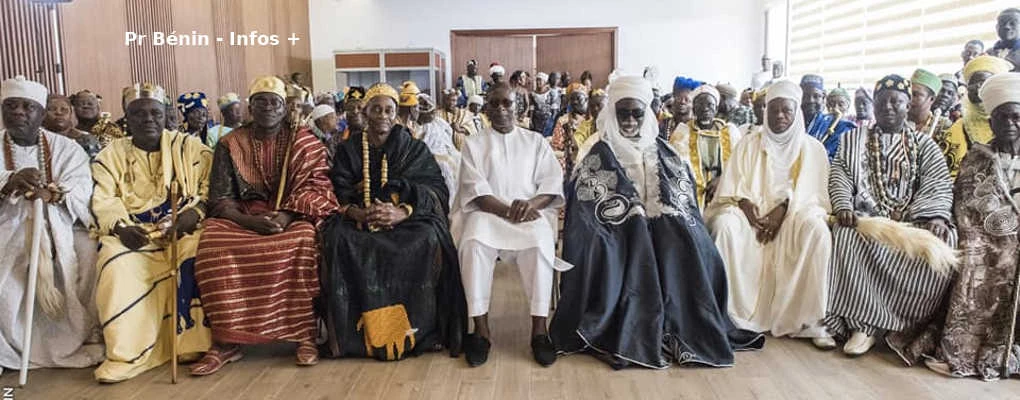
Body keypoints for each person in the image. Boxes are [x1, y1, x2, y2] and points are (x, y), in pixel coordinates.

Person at [550, 74, 765, 370]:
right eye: (622, 113)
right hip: (613, 232)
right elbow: (586, 204)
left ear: (646, 112)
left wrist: (666, 217)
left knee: (687, 238)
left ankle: (677, 327)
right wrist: (633, 216)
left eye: (636, 113)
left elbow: (682, 196)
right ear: (612, 113)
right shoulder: (595, 147)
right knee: (637, 240)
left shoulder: (665, 149)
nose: (629, 120)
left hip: (663, 229)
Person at [190, 76, 339, 376]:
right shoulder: (229, 144)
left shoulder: (303, 140)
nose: (268, 107)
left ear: (284, 108)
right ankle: (226, 341)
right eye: (261, 101)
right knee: (212, 244)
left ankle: (303, 335)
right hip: (243, 218)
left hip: (291, 217)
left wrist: (286, 215)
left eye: (275, 102)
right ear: (250, 106)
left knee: (304, 240)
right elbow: (219, 199)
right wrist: (249, 222)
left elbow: (318, 186)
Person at [319, 82, 466, 361]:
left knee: (427, 239)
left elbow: (436, 190)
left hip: (407, 220)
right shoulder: (349, 149)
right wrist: (355, 212)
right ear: (365, 112)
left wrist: (403, 212)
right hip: (358, 219)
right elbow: (336, 190)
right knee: (338, 240)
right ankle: (352, 338)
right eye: (376, 109)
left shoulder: (414, 149)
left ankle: (421, 333)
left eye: (389, 110)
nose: (383, 115)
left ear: (397, 113)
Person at [888, 72, 1020, 381]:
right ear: (992, 120)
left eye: (1018, 117)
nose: (1011, 124)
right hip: (984, 237)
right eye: (1003, 118)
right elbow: (966, 205)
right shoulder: (978, 157)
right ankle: (964, 346)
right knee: (974, 254)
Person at [825, 74, 956, 356]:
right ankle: (863, 325)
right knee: (845, 235)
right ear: (874, 106)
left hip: (913, 219)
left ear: (907, 105)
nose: (888, 107)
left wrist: (935, 217)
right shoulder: (852, 139)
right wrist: (843, 205)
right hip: (866, 219)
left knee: (942, 243)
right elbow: (841, 176)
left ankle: (900, 327)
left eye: (896, 101)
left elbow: (937, 183)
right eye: (882, 102)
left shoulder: (925, 144)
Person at [91, 82, 213, 382]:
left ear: (166, 115)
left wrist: (193, 214)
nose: (148, 119)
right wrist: (121, 228)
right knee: (114, 262)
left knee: (198, 252)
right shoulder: (111, 154)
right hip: (135, 232)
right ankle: (128, 354)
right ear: (126, 118)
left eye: (155, 113)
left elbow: (209, 190)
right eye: (138, 114)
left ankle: (190, 345)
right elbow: (104, 199)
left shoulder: (190, 147)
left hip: (183, 229)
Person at [705, 80, 834, 348]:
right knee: (726, 226)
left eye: (786, 110)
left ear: (796, 112)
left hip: (794, 216)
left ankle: (808, 321)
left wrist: (784, 210)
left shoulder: (813, 149)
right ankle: (726, 315)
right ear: (765, 111)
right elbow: (732, 187)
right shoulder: (748, 144)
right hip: (750, 217)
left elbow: (817, 197)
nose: (779, 116)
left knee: (817, 230)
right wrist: (745, 206)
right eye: (773, 110)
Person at [453, 83, 565, 368]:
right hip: (489, 214)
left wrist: (532, 205)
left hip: (530, 214)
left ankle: (540, 331)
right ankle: (481, 331)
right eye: (495, 104)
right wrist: (507, 210)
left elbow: (551, 183)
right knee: (473, 243)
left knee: (541, 245)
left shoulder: (536, 141)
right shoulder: (474, 144)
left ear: (519, 106)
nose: (501, 109)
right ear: (486, 109)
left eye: (507, 103)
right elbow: (474, 190)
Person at [0, 76, 104, 376]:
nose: (19, 112)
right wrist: (8, 183)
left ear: (40, 112)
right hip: (8, 223)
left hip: (61, 224)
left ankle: (78, 336)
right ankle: (9, 349)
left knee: (90, 254)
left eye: (27, 107)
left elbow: (81, 187)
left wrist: (54, 193)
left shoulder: (65, 147)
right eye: (11, 106)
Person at [668, 84, 743, 208]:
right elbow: (675, 168)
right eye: (700, 104)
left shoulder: (730, 132)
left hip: (724, 190)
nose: (705, 109)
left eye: (710, 105)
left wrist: (722, 179)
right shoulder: (682, 132)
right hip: (690, 191)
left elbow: (739, 166)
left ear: (716, 108)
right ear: (694, 108)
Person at [941, 55, 1014, 178]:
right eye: (974, 83)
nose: (979, 88)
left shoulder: (1013, 127)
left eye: (985, 82)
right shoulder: (957, 129)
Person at [416, 94, 461, 202]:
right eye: (429, 112)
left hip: (449, 153)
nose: (432, 114)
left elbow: (449, 138)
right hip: (430, 158)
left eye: (433, 111)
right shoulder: (417, 127)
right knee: (445, 168)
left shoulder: (440, 122)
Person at [801, 75, 855, 160]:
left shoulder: (839, 127)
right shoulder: (791, 125)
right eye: (805, 96)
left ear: (823, 98)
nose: (810, 100)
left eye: (816, 96)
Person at [44, 94, 101, 159]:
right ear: (42, 114)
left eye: (64, 110)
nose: (59, 113)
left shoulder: (86, 140)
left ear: (71, 113)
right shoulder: (37, 139)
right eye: (52, 109)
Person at [909, 69, 954, 149]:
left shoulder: (944, 127)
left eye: (915, 95)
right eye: (908, 93)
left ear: (931, 99)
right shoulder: (896, 123)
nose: (909, 98)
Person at [549, 83, 590, 169]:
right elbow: (557, 147)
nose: (575, 102)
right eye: (573, 99)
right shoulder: (563, 121)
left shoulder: (590, 121)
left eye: (579, 99)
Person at [530, 72, 555, 137]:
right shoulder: (533, 94)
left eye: (540, 80)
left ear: (545, 81)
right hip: (536, 120)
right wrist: (530, 119)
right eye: (537, 80)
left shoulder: (551, 93)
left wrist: (552, 121)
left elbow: (554, 109)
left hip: (548, 120)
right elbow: (532, 107)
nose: (538, 82)